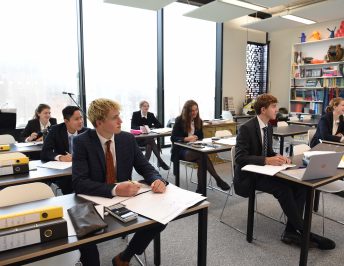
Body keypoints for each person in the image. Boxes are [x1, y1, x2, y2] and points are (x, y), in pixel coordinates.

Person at [72, 98, 167, 266]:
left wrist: (157, 179)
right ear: (100, 122)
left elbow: (145, 167)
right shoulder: (81, 142)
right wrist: (115, 189)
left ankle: (124, 257)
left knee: (161, 217)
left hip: (126, 198)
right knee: (86, 240)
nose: (121, 121)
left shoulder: (127, 139)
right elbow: (79, 183)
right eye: (115, 117)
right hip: (93, 200)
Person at [234, 93, 335, 250]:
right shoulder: (246, 128)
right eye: (273, 107)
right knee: (283, 188)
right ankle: (305, 231)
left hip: (264, 171)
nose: (277, 110)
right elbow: (240, 158)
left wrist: (278, 157)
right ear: (263, 109)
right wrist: (267, 160)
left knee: (301, 185)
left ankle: (290, 231)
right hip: (248, 176)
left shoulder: (268, 127)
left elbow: (266, 152)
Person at [170, 100, 230, 193]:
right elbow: (173, 138)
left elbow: (201, 136)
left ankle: (200, 189)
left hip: (195, 148)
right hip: (181, 150)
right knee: (202, 156)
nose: (194, 112)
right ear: (187, 111)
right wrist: (186, 139)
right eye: (192, 111)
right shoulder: (179, 120)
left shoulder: (199, 121)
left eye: (196, 110)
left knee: (201, 160)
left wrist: (196, 137)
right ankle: (217, 179)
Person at [41, 106, 87, 194]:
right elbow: (45, 152)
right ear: (66, 121)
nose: (80, 121)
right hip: (64, 173)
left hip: (82, 170)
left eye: (81, 118)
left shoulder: (87, 132)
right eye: (76, 119)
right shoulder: (55, 130)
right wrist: (61, 157)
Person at [131, 100, 170, 170]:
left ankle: (144, 167)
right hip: (139, 139)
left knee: (149, 145)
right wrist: (141, 128)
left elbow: (160, 125)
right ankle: (160, 161)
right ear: (140, 107)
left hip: (148, 138)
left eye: (147, 106)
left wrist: (151, 127)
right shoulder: (135, 114)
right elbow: (132, 126)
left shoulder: (150, 115)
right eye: (144, 106)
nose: (146, 107)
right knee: (151, 142)